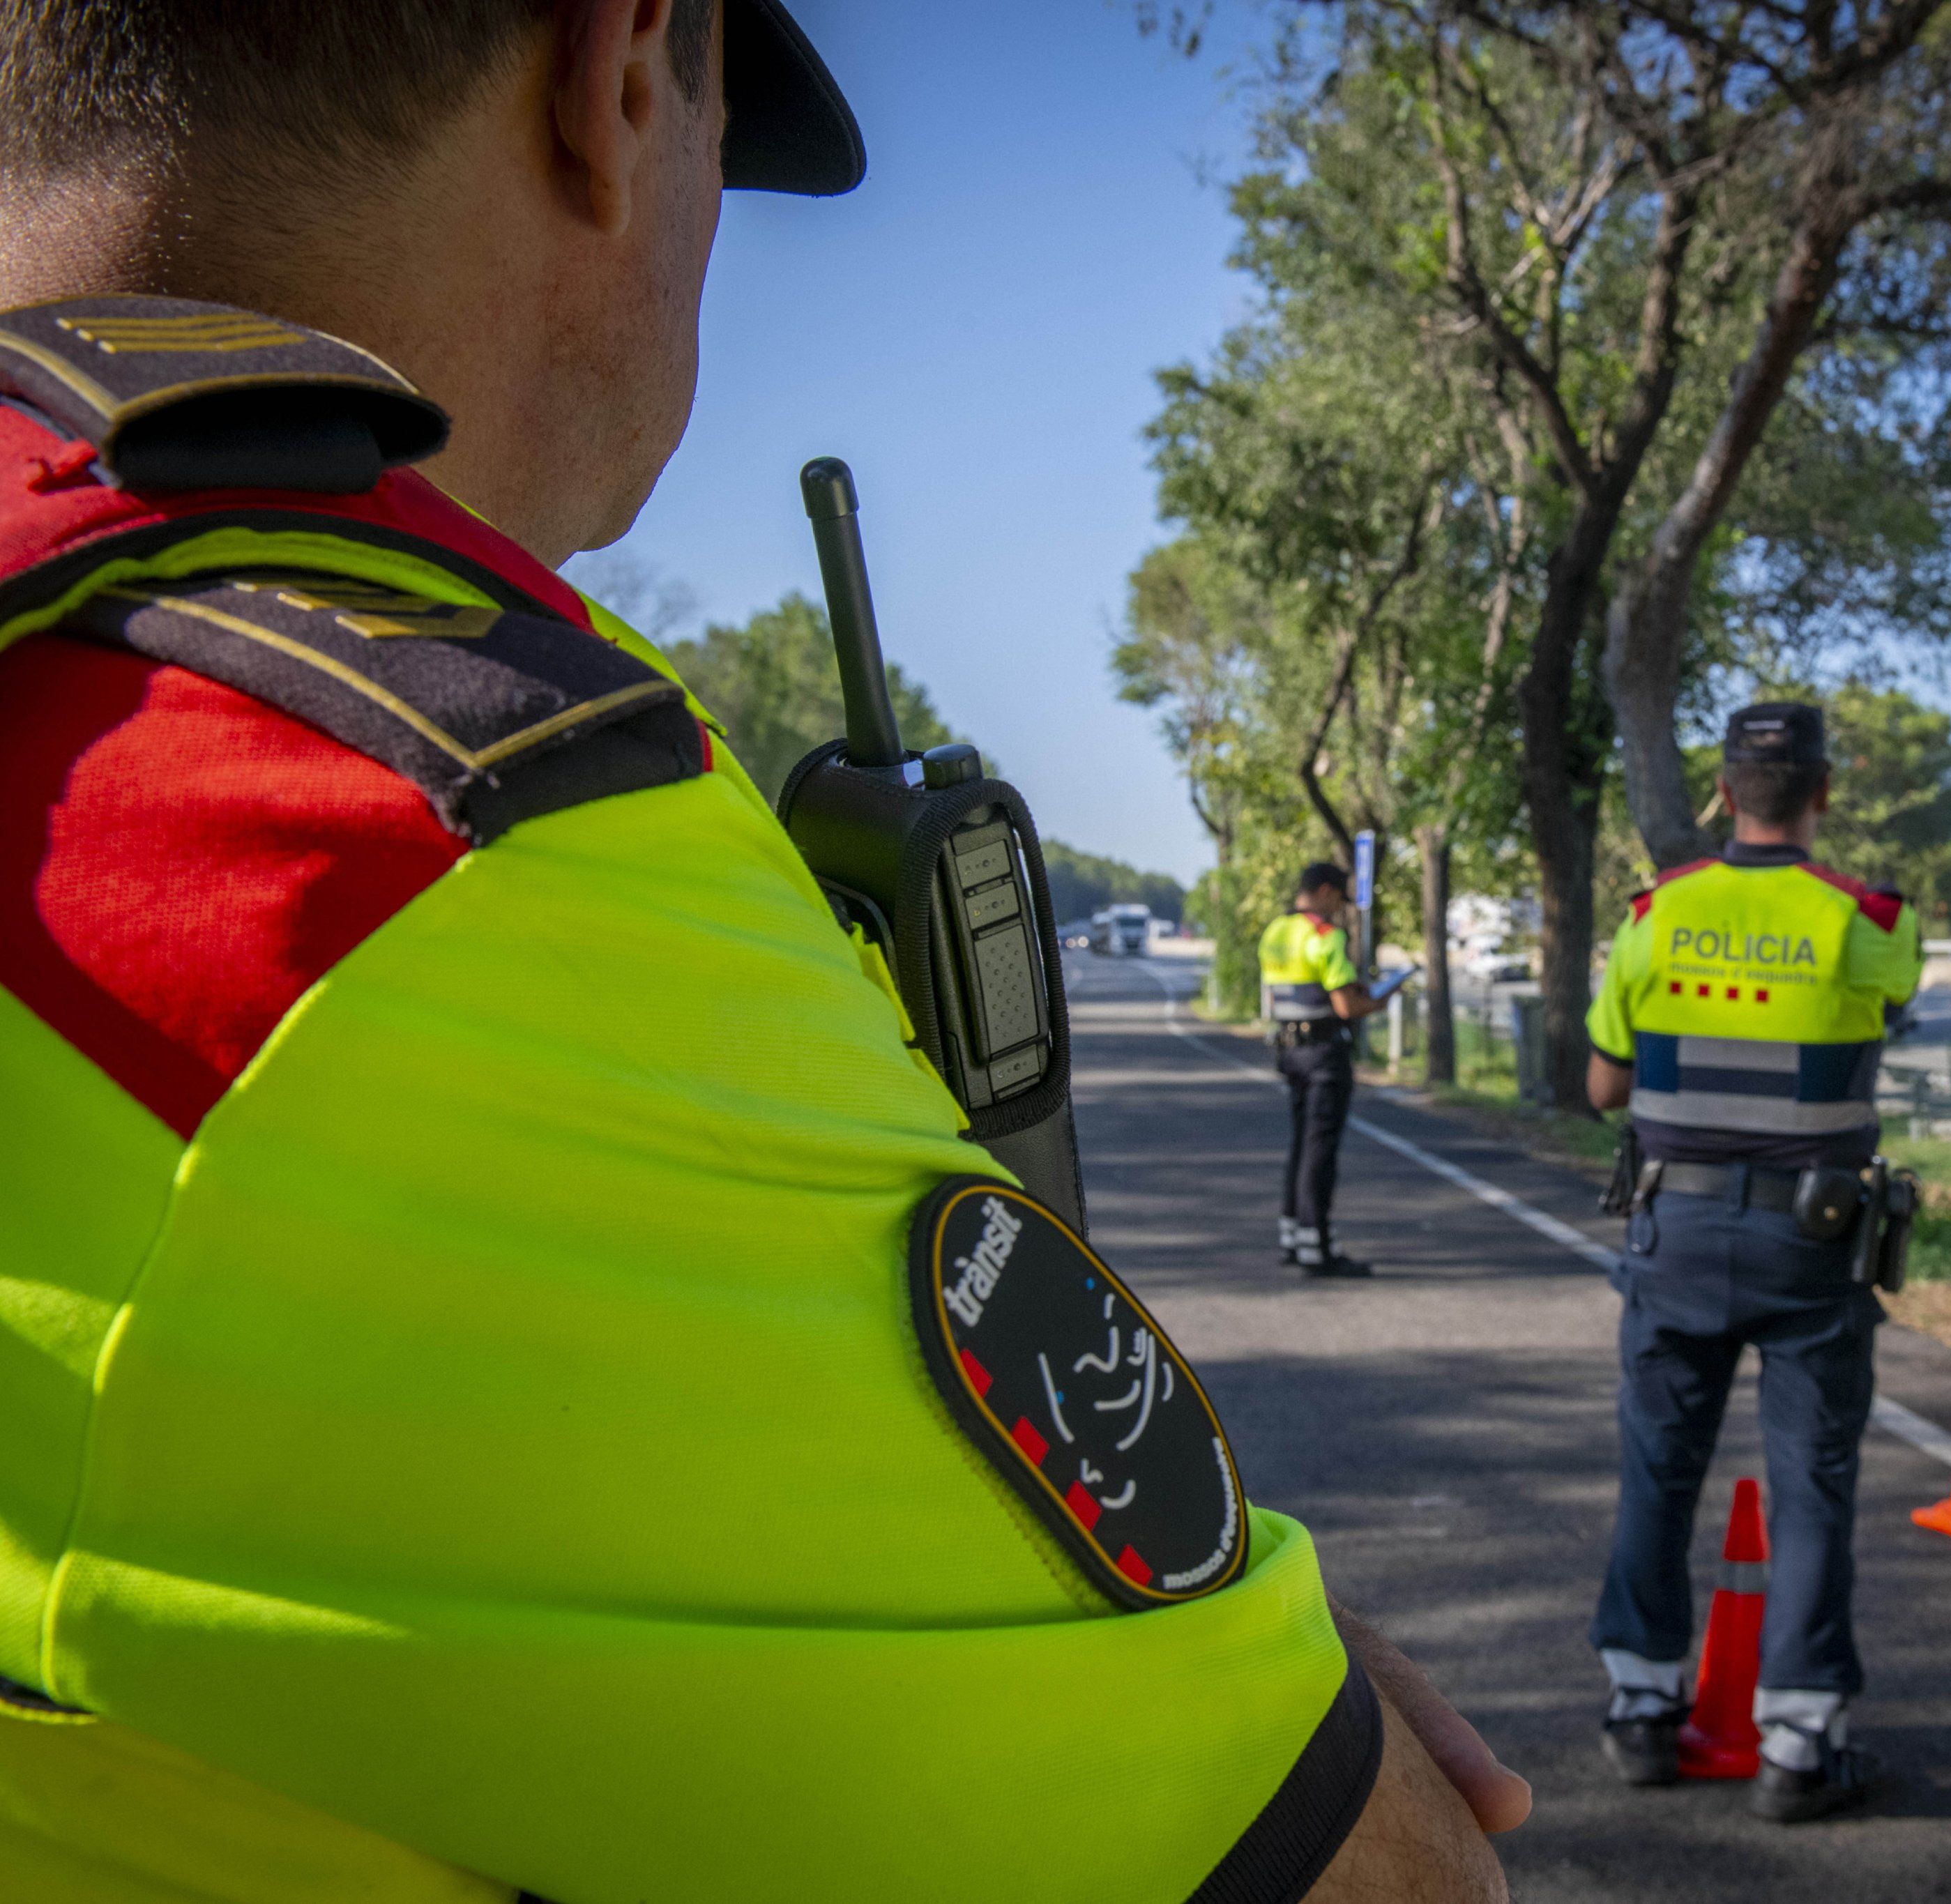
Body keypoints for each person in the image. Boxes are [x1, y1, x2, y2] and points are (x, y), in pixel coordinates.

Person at [0, 4, 1526, 1900]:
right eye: (730, 166)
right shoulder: (423, 865)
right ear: (621, 76)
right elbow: (1372, 1873)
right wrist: (1193, 1668)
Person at [1581, 700, 1924, 1823]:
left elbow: (1604, 1089)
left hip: (1674, 1234)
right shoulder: (1870, 921)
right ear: (1824, 794)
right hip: (1812, 1245)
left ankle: (1640, 1706)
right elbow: (1893, 1010)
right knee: (1812, 1485)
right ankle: (1798, 1737)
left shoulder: (1655, 914)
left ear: (1724, 793)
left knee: (1658, 1471)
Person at [1258, 861, 1388, 1277]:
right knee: (1320, 1152)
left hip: (1289, 1051)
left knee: (1301, 1145)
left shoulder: (1276, 931)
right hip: (1325, 1056)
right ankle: (1319, 1248)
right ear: (1328, 891)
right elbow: (1346, 1006)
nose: (1339, 909)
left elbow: (1294, 991)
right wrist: (1379, 1001)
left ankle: (1294, 1237)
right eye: (1339, 899)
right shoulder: (1326, 936)